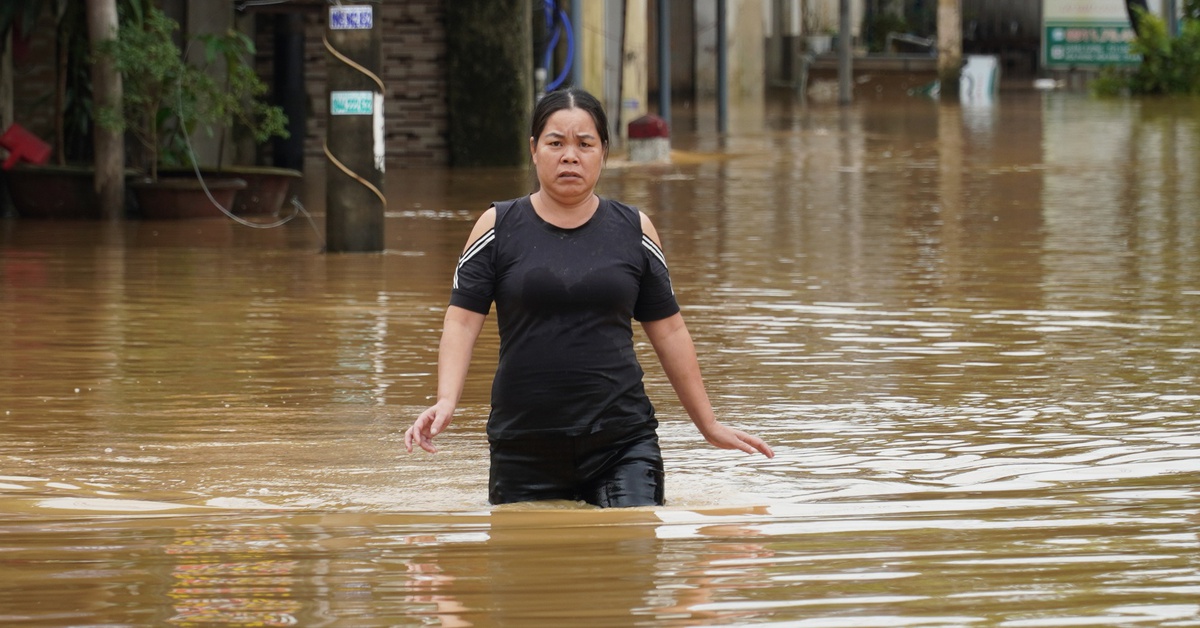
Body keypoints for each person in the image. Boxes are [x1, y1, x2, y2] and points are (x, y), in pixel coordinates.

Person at [405, 87, 773, 508]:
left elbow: (670, 331)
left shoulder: (634, 230)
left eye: (584, 144)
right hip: (524, 445)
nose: (570, 156)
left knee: (632, 541)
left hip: (623, 442)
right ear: (534, 150)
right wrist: (446, 399)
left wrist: (707, 424)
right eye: (555, 143)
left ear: (604, 153)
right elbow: (461, 321)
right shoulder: (496, 227)